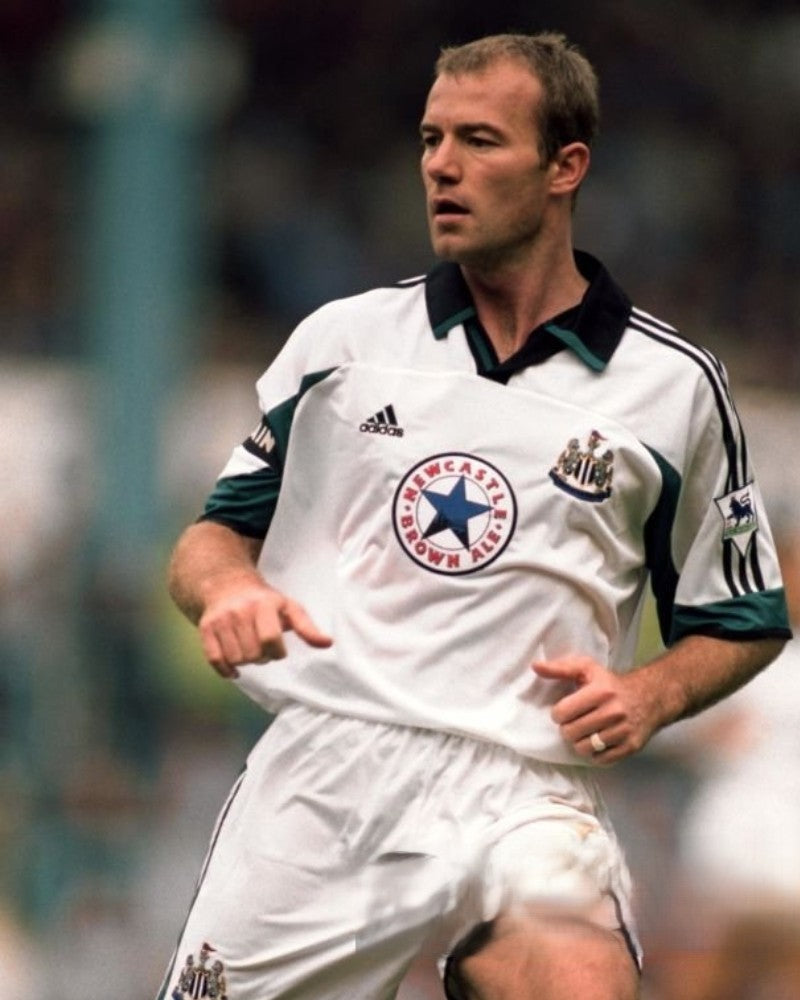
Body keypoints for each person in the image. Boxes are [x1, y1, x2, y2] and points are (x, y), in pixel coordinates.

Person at [156, 32, 791, 1000]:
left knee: (580, 983)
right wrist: (229, 590)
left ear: (563, 167)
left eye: (479, 140)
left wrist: (650, 694)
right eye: (430, 139)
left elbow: (742, 618)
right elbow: (210, 539)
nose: (441, 166)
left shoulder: (675, 388)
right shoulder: (343, 344)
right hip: (325, 776)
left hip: (520, 789)